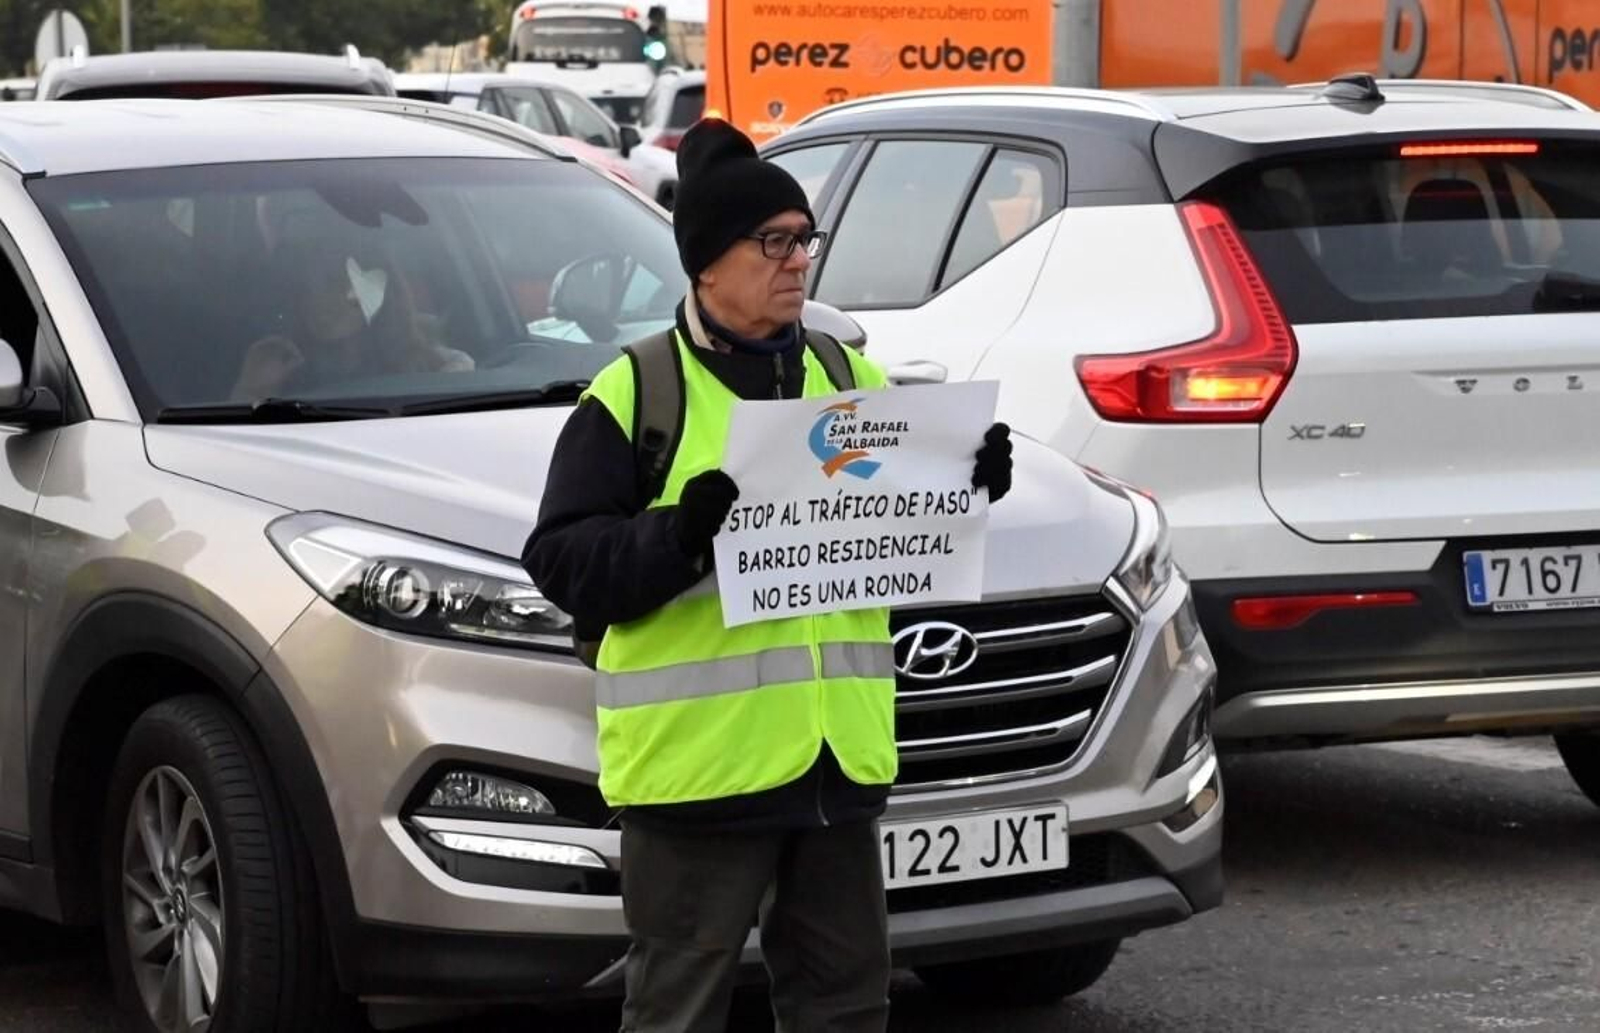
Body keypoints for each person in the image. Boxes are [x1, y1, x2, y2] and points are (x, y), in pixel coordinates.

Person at [522, 119, 1013, 1033]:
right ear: (707, 262)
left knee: (847, 1009)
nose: (798, 262)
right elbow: (560, 560)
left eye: (805, 240)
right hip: (696, 780)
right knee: (677, 1013)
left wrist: (967, 482)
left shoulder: (842, 369)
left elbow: (891, 535)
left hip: (833, 771)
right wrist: (678, 534)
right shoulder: (637, 394)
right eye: (773, 242)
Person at [230, 241, 473, 400]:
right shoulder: (278, 361)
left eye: (354, 297)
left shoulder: (440, 370)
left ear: (381, 299)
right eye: (315, 287)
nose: (326, 302)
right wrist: (255, 388)